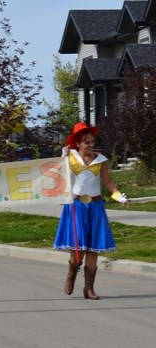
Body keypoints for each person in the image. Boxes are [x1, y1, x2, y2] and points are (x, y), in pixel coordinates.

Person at [53, 122, 129, 300]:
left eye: (92, 142)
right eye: (87, 142)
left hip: (95, 206)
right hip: (76, 206)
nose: (91, 145)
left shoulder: (100, 161)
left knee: (93, 247)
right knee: (78, 246)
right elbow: (57, 174)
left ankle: (89, 288)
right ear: (78, 143)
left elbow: (109, 183)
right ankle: (71, 274)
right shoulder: (70, 158)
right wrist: (63, 155)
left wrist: (120, 197)